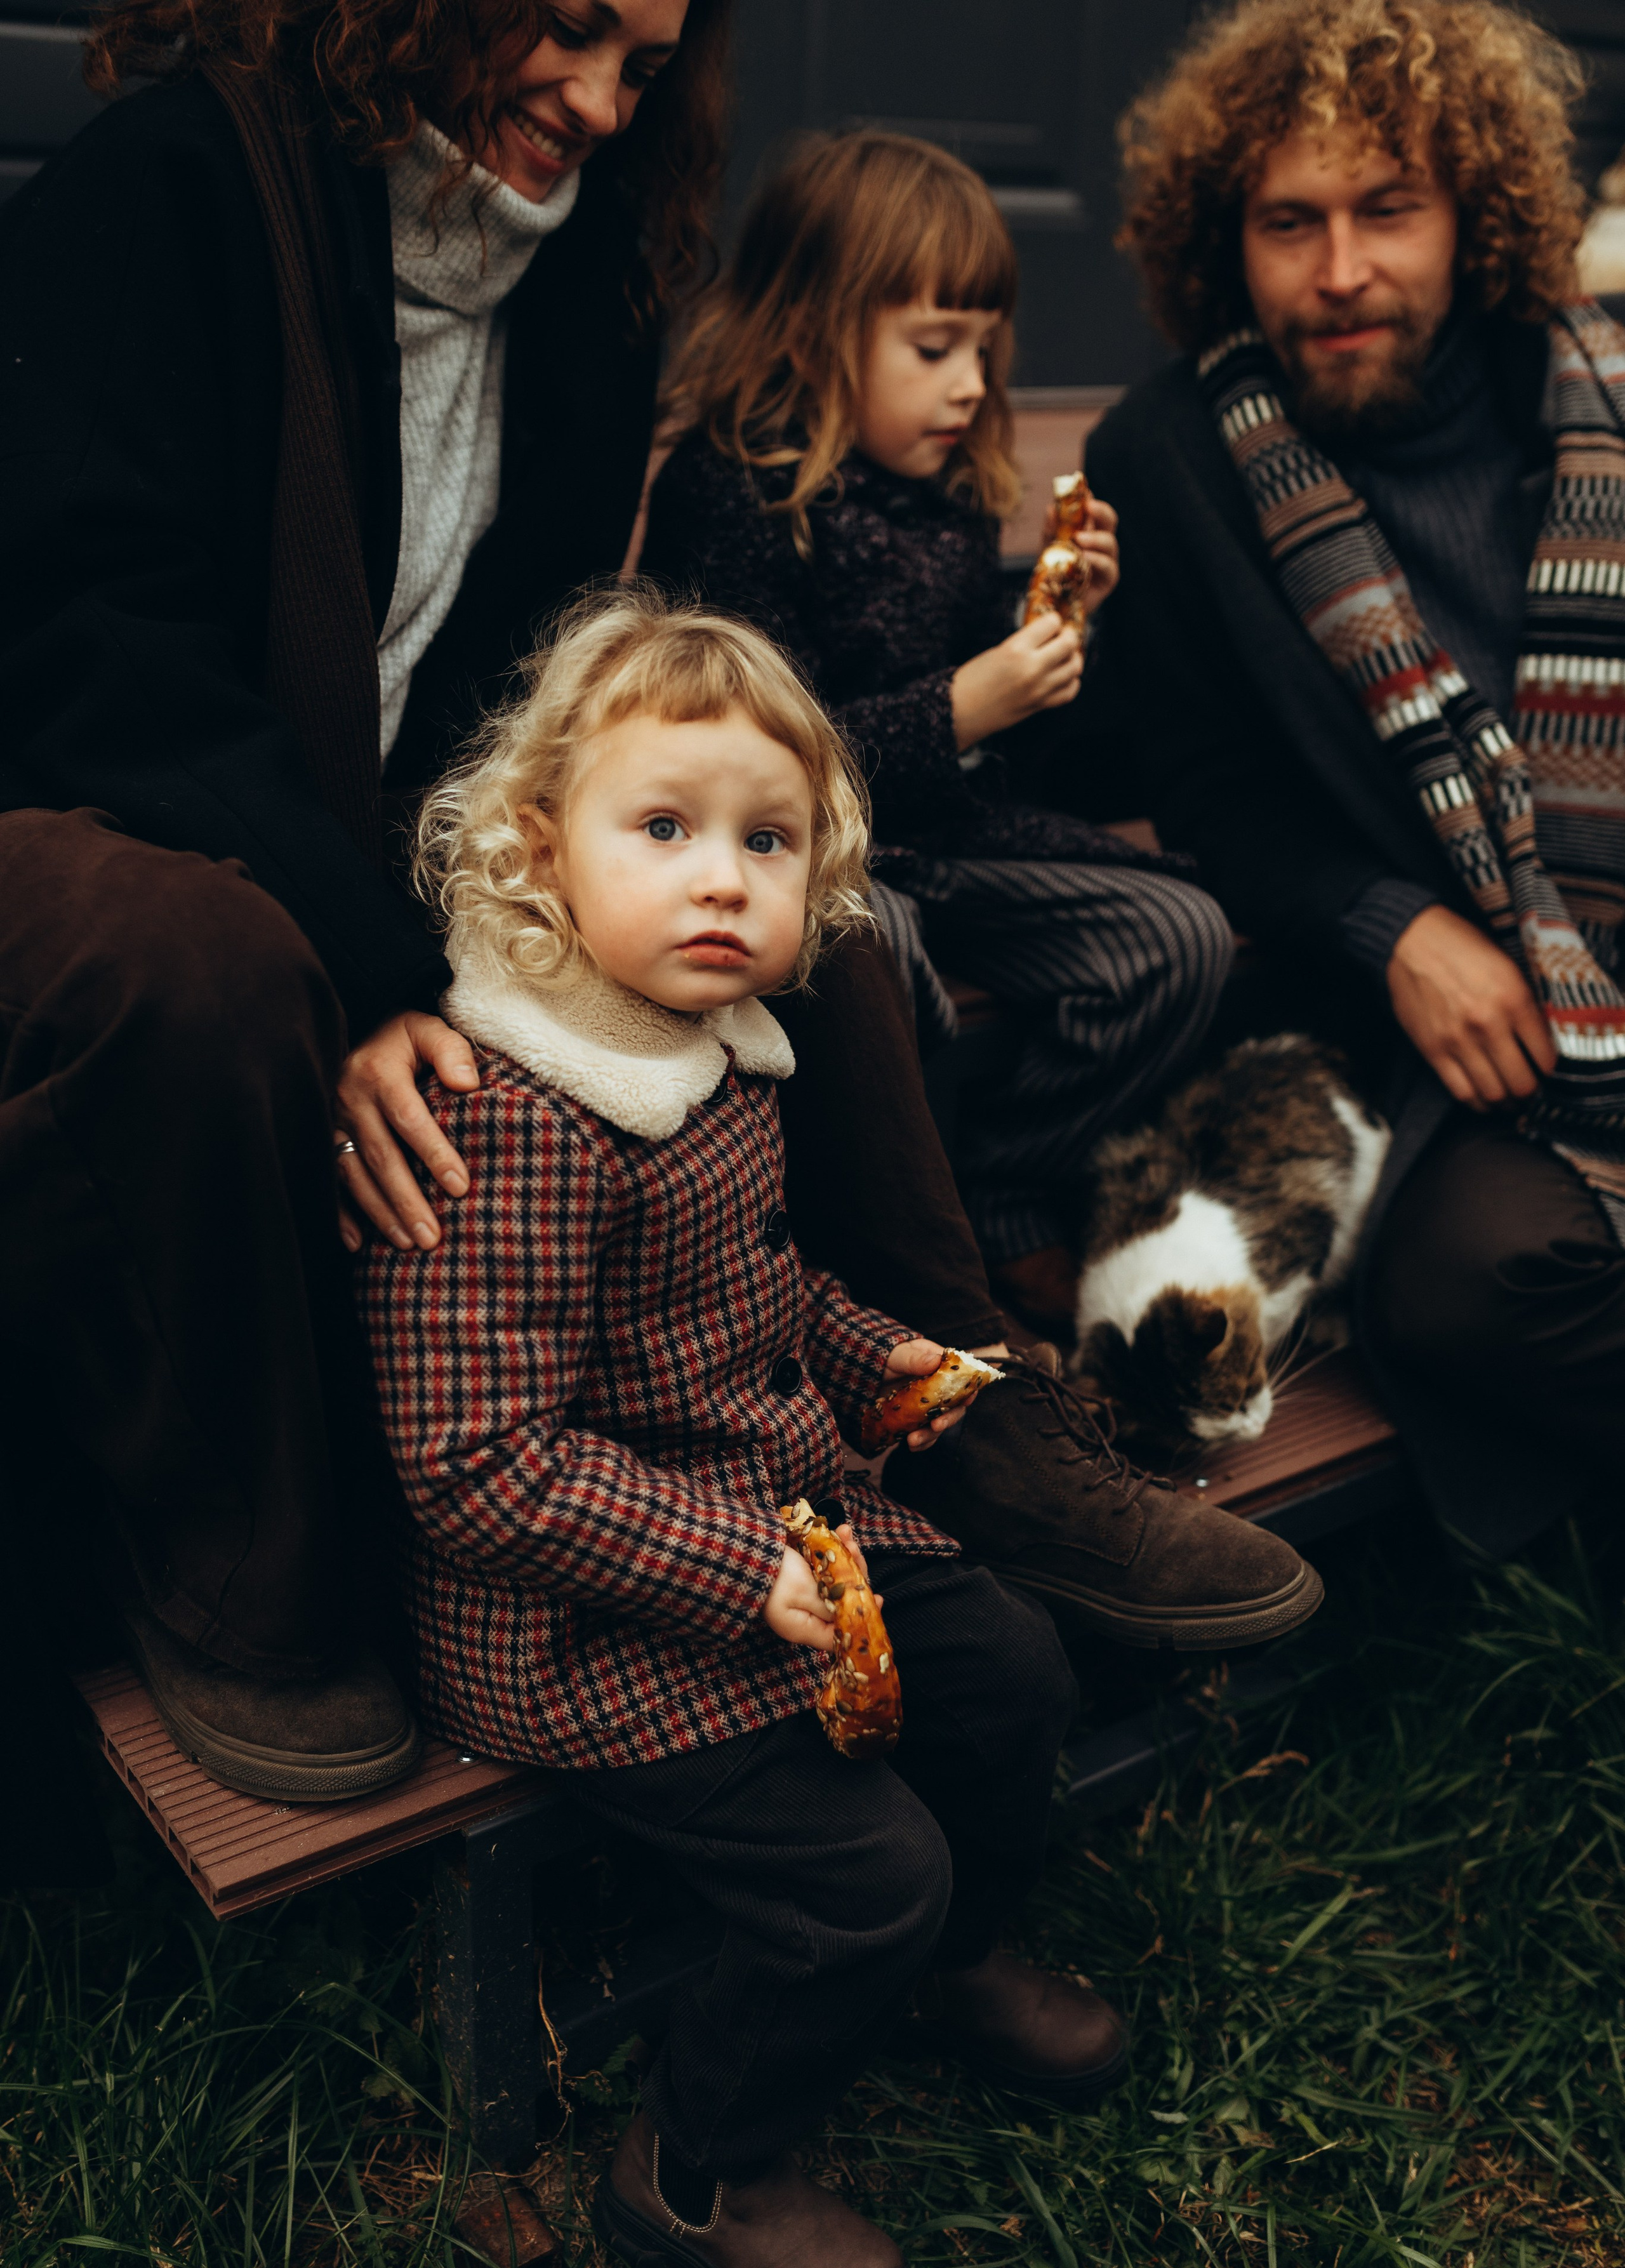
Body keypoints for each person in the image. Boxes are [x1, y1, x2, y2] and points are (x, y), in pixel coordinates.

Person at [0, 3, 1322, 1857]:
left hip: (390, 807)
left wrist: (670, 815)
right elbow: (88, 651)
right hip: (118, 803)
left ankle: (968, 1416)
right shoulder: (174, 187)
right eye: (560, 29)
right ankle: (237, 1555)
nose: (602, 103)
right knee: (208, 973)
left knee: (782, 892)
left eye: (642, 59)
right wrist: (373, 954)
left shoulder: (587, 265)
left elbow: (532, 663)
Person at [361, 588, 1127, 2268]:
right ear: (539, 856)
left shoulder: (709, 1054)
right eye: (666, 828)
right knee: (862, 1868)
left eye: (766, 842)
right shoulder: (518, 1119)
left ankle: (953, 1964)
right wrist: (736, 1574)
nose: (723, 879)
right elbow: (477, 1465)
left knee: (1011, 1664)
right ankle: (701, 2163)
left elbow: (769, 1295)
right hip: (578, 1621)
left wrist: (885, 1363)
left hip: (780, 1523)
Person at [1085, 0, 1625, 1555]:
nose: (1337, 272)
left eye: (1386, 210)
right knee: (1460, 1287)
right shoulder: (1170, 458)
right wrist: (1393, 925)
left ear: (1473, 212)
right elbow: (1204, 785)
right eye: (1287, 223)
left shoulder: (1586, 387)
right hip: (1494, 1021)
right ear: (1221, 238)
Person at [642, 131, 1237, 1333]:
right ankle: (897, 1240)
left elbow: (1021, 759)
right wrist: (962, 705)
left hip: (954, 832)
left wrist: (1067, 636)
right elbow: (738, 767)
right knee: (878, 959)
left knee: (1180, 937)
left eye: (983, 348)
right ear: (814, 330)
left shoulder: (953, 494)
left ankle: (1006, 1188)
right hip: (818, 856)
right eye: (933, 349)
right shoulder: (734, 493)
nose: (972, 385)